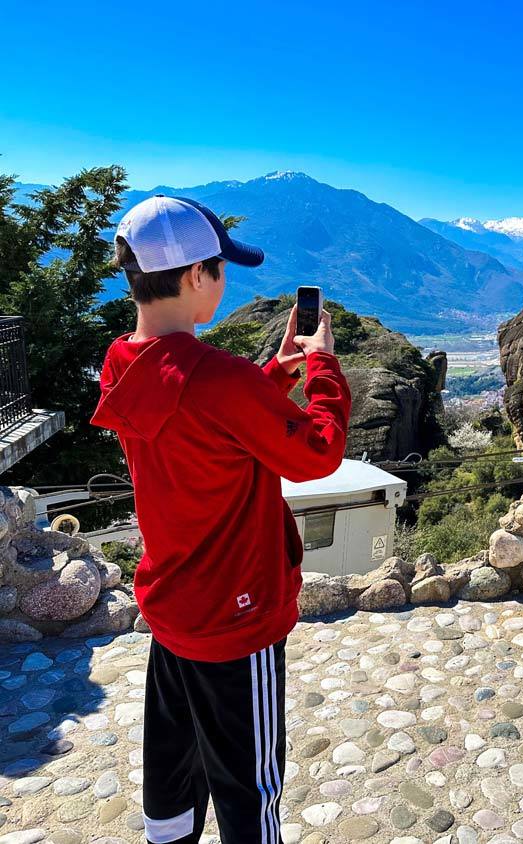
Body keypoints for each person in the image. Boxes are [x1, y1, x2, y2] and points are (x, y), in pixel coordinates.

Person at [91, 195, 352, 844]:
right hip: (238, 621)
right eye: (221, 268)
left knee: (173, 774)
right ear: (195, 276)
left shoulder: (125, 361)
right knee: (248, 793)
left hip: (174, 607)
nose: (223, 280)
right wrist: (319, 366)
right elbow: (316, 453)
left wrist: (272, 374)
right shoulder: (217, 378)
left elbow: (203, 420)